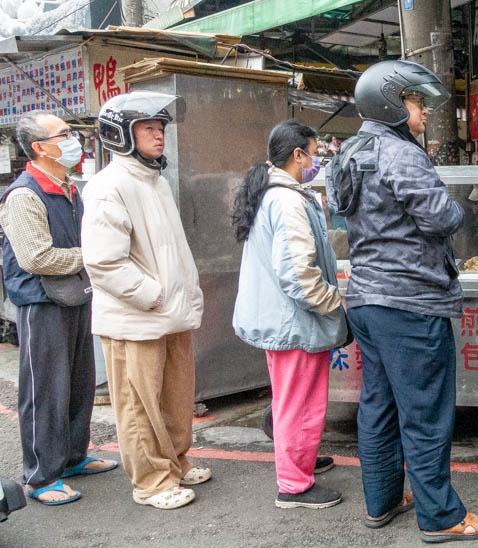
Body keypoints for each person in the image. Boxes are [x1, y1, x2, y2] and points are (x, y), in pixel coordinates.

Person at [331, 59, 478, 542]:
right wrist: (453, 202)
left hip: (366, 298)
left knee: (378, 405)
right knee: (425, 413)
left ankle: (383, 500)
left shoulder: (349, 151)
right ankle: (441, 516)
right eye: (416, 101)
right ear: (391, 103)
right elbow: (442, 217)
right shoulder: (398, 152)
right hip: (410, 300)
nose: (423, 111)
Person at [81, 91, 208, 511]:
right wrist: (154, 296)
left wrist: (182, 296)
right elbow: (103, 262)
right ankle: (151, 482)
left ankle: (176, 461)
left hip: (170, 315)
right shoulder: (108, 186)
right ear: (120, 134)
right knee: (138, 407)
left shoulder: (155, 183)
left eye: (160, 128)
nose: (159, 135)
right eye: (149, 128)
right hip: (135, 319)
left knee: (174, 399)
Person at [231, 120, 351, 510]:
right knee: (300, 403)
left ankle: (299, 457)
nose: (317, 160)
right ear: (298, 155)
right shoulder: (286, 200)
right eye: (315, 152)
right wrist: (334, 301)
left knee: (291, 400)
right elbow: (298, 275)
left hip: (281, 318)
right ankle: (294, 484)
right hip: (294, 321)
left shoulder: (273, 194)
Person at [0, 112, 118, 506]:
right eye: (64, 134)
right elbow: (36, 257)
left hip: (75, 293)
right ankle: (40, 474)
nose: (74, 140)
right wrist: (92, 256)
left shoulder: (68, 187)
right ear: (39, 147)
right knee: (45, 389)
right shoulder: (24, 194)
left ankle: (71, 457)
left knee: (79, 381)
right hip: (41, 300)